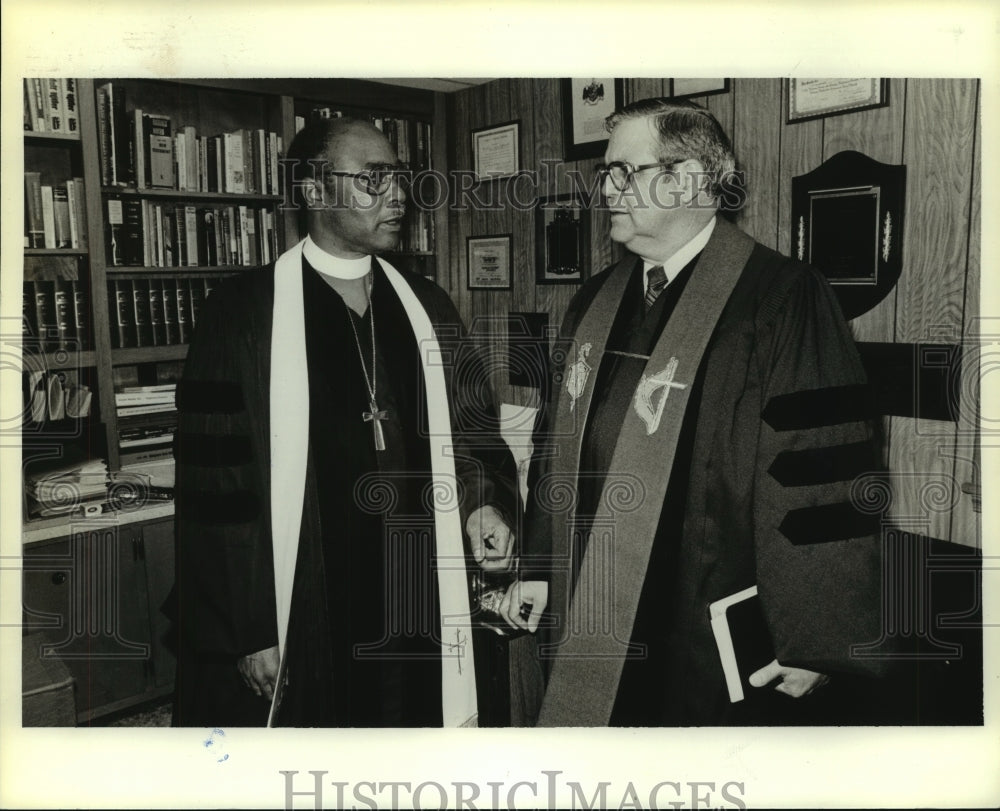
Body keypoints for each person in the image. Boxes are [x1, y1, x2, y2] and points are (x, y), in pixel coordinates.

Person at [503, 98, 889, 726]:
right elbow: (555, 447)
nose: (607, 191)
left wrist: (818, 634)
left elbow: (822, 473)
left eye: (624, 172)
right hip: (586, 596)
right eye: (605, 174)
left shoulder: (782, 298)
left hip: (698, 602)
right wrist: (543, 568)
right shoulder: (595, 300)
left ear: (686, 179)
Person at [171, 118, 519, 727]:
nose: (397, 196)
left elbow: (472, 434)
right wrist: (249, 627)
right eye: (373, 179)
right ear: (311, 190)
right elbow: (218, 489)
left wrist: (483, 504)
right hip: (308, 586)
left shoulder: (427, 305)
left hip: (417, 578)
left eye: (398, 177)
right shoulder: (243, 314)